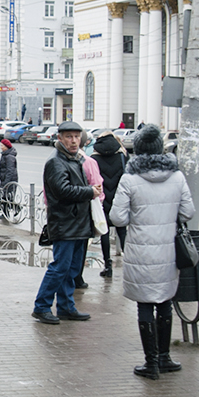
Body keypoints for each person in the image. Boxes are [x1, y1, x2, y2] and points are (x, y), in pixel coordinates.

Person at [109, 124, 195, 380]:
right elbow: (188, 213)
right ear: (160, 148)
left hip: (140, 253)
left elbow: (118, 218)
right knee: (165, 302)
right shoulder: (177, 176)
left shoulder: (130, 178)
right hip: (168, 251)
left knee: (145, 304)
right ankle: (165, 357)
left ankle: (151, 364)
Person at [32, 121, 101, 325]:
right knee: (59, 268)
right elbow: (62, 190)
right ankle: (42, 306)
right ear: (60, 138)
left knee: (71, 269)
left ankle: (66, 306)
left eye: (76, 137)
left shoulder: (74, 159)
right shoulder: (56, 161)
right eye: (69, 137)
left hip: (77, 224)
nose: (73, 141)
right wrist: (90, 191)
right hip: (65, 224)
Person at [92, 130, 128, 277]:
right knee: (122, 230)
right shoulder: (121, 156)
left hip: (102, 199)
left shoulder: (94, 158)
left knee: (104, 233)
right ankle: (130, 261)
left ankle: (108, 265)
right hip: (119, 199)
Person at [72, 131, 104, 289]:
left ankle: (69, 277)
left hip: (67, 212)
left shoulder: (59, 161)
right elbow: (98, 187)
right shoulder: (89, 162)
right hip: (85, 210)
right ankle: (77, 277)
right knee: (82, 244)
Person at [0, 138, 18, 219]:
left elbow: (10, 170)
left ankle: (13, 210)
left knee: (7, 197)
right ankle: (6, 213)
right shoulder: (5, 154)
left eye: (2, 145)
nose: (1, 147)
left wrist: (6, 182)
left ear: (6, 146)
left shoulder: (9, 157)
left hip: (10, 180)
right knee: (5, 196)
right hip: (4, 179)